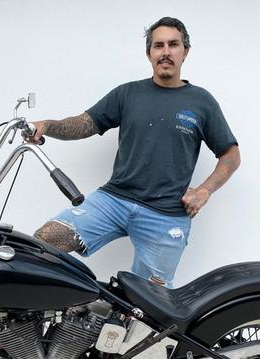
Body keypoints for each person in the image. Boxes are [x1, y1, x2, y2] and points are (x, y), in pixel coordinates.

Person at [29, 16, 240, 288]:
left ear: (185, 52)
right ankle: (21, 328)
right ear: (149, 53)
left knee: (149, 305)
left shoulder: (202, 102)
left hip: (166, 216)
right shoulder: (128, 94)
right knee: (43, 242)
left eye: (173, 45)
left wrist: (204, 190)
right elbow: (84, 125)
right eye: (158, 45)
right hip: (113, 200)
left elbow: (231, 154)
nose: (165, 52)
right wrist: (46, 125)